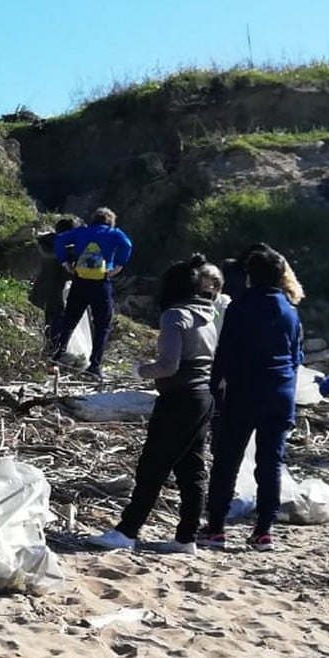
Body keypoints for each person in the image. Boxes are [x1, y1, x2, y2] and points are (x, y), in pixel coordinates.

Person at [86, 256, 222, 552]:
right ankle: (186, 538)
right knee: (192, 469)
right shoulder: (208, 316)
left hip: (179, 399)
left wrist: (142, 371)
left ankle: (127, 531)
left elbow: (169, 366)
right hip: (203, 398)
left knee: (153, 466)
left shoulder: (174, 316)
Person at [198, 246, 304, 552]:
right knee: (271, 462)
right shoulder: (290, 311)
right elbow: (297, 357)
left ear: (248, 276)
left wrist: (212, 390)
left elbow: (225, 354)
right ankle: (263, 531)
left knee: (227, 459)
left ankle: (216, 528)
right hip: (281, 392)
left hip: (245, 391)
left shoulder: (241, 307)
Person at [50, 208, 133, 379]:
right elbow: (127, 245)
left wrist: (65, 262)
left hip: (80, 281)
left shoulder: (82, 232)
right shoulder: (113, 233)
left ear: (94, 220)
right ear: (110, 221)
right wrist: (118, 266)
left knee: (70, 320)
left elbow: (59, 239)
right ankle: (94, 366)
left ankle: (57, 357)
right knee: (102, 325)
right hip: (101, 283)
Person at [28, 216, 79, 358]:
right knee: (58, 318)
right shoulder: (68, 249)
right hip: (58, 288)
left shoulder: (45, 242)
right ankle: (54, 351)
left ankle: (48, 348)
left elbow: (40, 236)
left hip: (43, 284)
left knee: (49, 318)